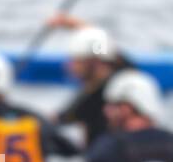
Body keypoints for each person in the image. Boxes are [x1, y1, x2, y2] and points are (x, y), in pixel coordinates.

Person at [48, 14, 134, 147]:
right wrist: (71, 24)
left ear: (93, 62)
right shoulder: (124, 71)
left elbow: (55, 120)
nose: (69, 66)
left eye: (76, 61)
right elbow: (100, 43)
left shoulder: (87, 103)